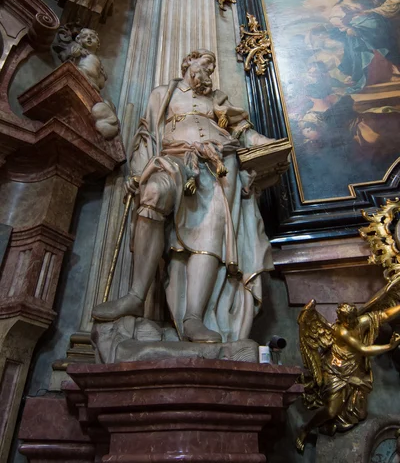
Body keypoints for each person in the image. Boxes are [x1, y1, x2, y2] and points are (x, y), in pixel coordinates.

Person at [92, 50, 276, 343]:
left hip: (219, 164)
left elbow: (243, 131)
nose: (209, 70)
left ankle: (193, 317)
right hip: (173, 160)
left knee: (211, 230)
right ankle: (136, 295)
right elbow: (147, 135)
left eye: (213, 67)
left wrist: (266, 148)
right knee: (153, 194)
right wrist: (138, 174)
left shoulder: (216, 99)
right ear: (188, 61)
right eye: (205, 64)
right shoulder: (163, 94)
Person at [296, 301, 400, 452]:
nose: (352, 322)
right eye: (349, 320)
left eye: (354, 318)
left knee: (358, 412)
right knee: (331, 411)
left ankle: (334, 425)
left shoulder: (359, 321)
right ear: (342, 320)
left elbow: (384, 315)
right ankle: (306, 429)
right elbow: (363, 349)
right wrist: (390, 346)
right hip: (335, 370)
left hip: (353, 369)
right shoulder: (341, 331)